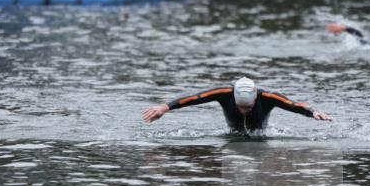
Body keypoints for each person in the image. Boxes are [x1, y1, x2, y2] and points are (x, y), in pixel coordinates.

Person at [142, 77, 332, 134]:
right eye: (241, 107)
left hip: (262, 135)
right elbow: (194, 98)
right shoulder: (223, 93)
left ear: (255, 98)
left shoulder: (268, 97)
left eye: (248, 107)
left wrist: (313, 112)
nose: (244, 111)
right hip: (233, 135)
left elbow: (294, 105)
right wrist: (165, 107)